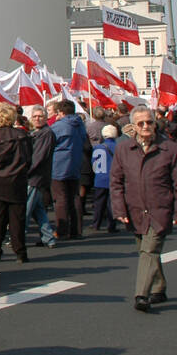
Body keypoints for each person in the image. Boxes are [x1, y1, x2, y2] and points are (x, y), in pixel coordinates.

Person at [110, 106, 177, 312]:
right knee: (146, 251)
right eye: (141, 123)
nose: (146, 126)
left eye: (149, 122)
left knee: (149, 250)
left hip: (160, 209)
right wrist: (119, 209)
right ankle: (158, 287)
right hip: (135, 209)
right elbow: (116, 182)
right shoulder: (123, 149)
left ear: (155, 124)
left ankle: (142, 294)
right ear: (133, 127)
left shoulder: (170, 148)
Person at [0, 102, 32, 262]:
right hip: (17, 181)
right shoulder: (22, 135)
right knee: (17, 220)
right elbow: (28, 159)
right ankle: (20, 252)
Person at [50, 99, 89, 240]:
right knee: (74, 197)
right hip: (75, 163)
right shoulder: (80, 125)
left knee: (60, 198)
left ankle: (62, 230)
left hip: (59, 165)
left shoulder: (58, 126)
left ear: (60, 112)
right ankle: (76, 230)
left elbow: (50, 143)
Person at [25, 105, 58, 247]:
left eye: (40, 116)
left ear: (46, 118)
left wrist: (26, 172)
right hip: (36, 176)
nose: (37, 119)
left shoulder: (46, 133)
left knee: (26, 209)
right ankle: (48, 237)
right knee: (38, 210)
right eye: (35, 116)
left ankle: (18, 236)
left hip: (35, 176)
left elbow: (38, 157)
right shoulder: (36, 133)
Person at [91, 125, 119, 232]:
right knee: (112, 203)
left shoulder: (98, 147)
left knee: (99, 203)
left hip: (100, 178)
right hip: (114, 178)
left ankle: (96, 224)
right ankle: (111, 226)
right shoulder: (118, 147)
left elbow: (94, 164)